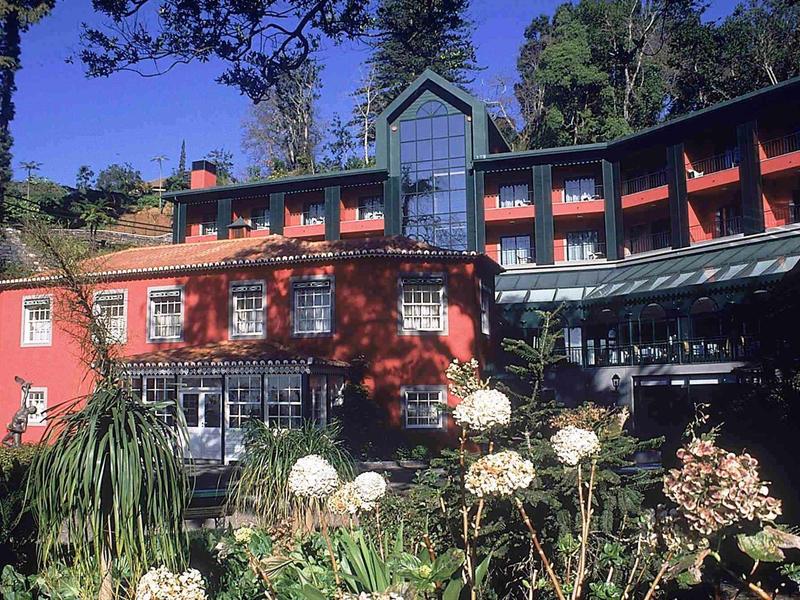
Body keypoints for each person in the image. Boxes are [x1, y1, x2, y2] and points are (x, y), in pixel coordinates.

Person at [2, 379, 35, 447]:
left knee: (17, 447)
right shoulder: (23, 408)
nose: (30, 406)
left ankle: (14, 449)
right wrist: (26, 389)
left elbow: (24, 430)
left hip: (16, 432)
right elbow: (25, 398)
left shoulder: (25, 418)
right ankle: (12, 447)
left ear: (31, 411)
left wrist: (14, 429)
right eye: (31, 406)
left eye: (32, 408)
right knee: (4, 441)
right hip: (12, 430)